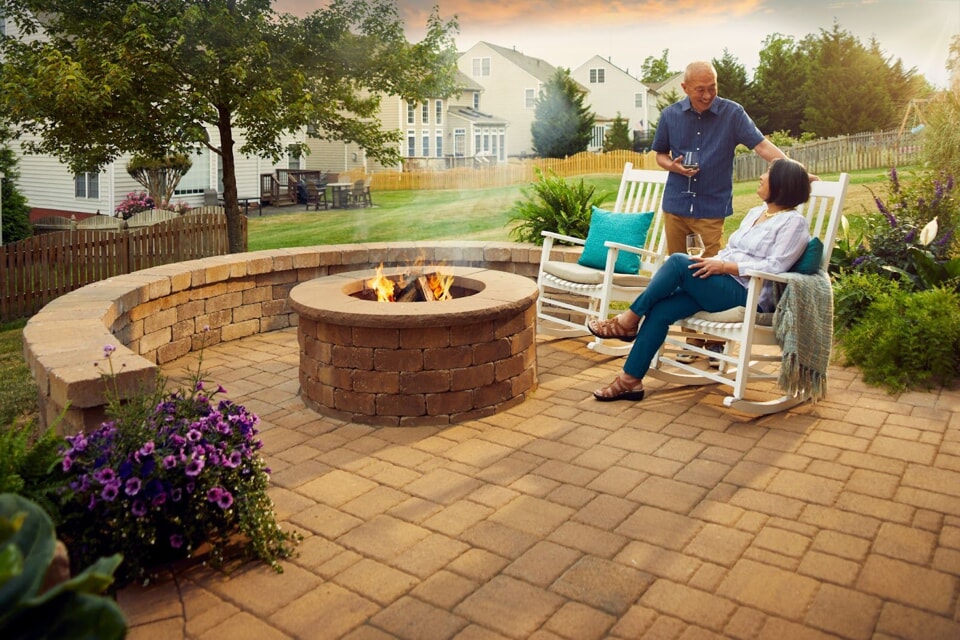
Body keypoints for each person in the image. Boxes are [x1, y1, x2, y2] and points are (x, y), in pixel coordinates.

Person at [585, 158, 812, 402]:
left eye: (768, 172)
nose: (762, 176)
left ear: (781, 184)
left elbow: (775, 267)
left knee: (677, 262)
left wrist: (724, 266)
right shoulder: (757, 213)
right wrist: (712, 262)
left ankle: (628, 320)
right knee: (662, 309)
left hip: (749, 293)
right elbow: (733, 250)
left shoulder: (794, 223)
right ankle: (630, 381)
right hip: (722, 284)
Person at [653, 61, 791, 363]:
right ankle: (692, 342)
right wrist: (672, 166)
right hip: (676, 204)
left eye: (712, 87)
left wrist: (795, 170)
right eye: (700, 89)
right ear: (685, 88)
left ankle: (715, 343)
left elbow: (762, 146)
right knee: (680, 277)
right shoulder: (670, 115)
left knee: (709, 273)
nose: (707, 95)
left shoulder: (732, 113)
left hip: (711, 206)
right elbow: (659, 154)